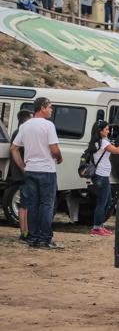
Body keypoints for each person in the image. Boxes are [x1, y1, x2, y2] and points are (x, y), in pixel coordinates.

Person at [10, 97, 63, 249]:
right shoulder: (48, 125)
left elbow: (14, 148)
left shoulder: (25, 126)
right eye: (50, 107)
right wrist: (59, 157)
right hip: (46, 170)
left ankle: (32, 238)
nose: (51, 110)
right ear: (43, 107)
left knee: (32, 205)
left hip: (30, 170)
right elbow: (53, 148)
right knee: (46, 204)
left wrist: (22, 165)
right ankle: (45, 238)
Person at [88, 120, 119, 236]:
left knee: (107, 201)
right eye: (106, 129)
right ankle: (96, 227)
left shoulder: (98, 141)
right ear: (100, 131)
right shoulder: (103, 143)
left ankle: (100, 225)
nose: (108, 131)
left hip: (101, 175)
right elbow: (118, 151)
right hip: (101, 175)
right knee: (102, 202)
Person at [9, 110, 33, 242]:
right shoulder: (21, 132)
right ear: (26, 119)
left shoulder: (17, 132)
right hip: (23, 174)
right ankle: (25, 232)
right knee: (26, 204)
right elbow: (17, 151)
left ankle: (25, 232)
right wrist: (25, 169)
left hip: (20, 173)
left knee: (25, 204)